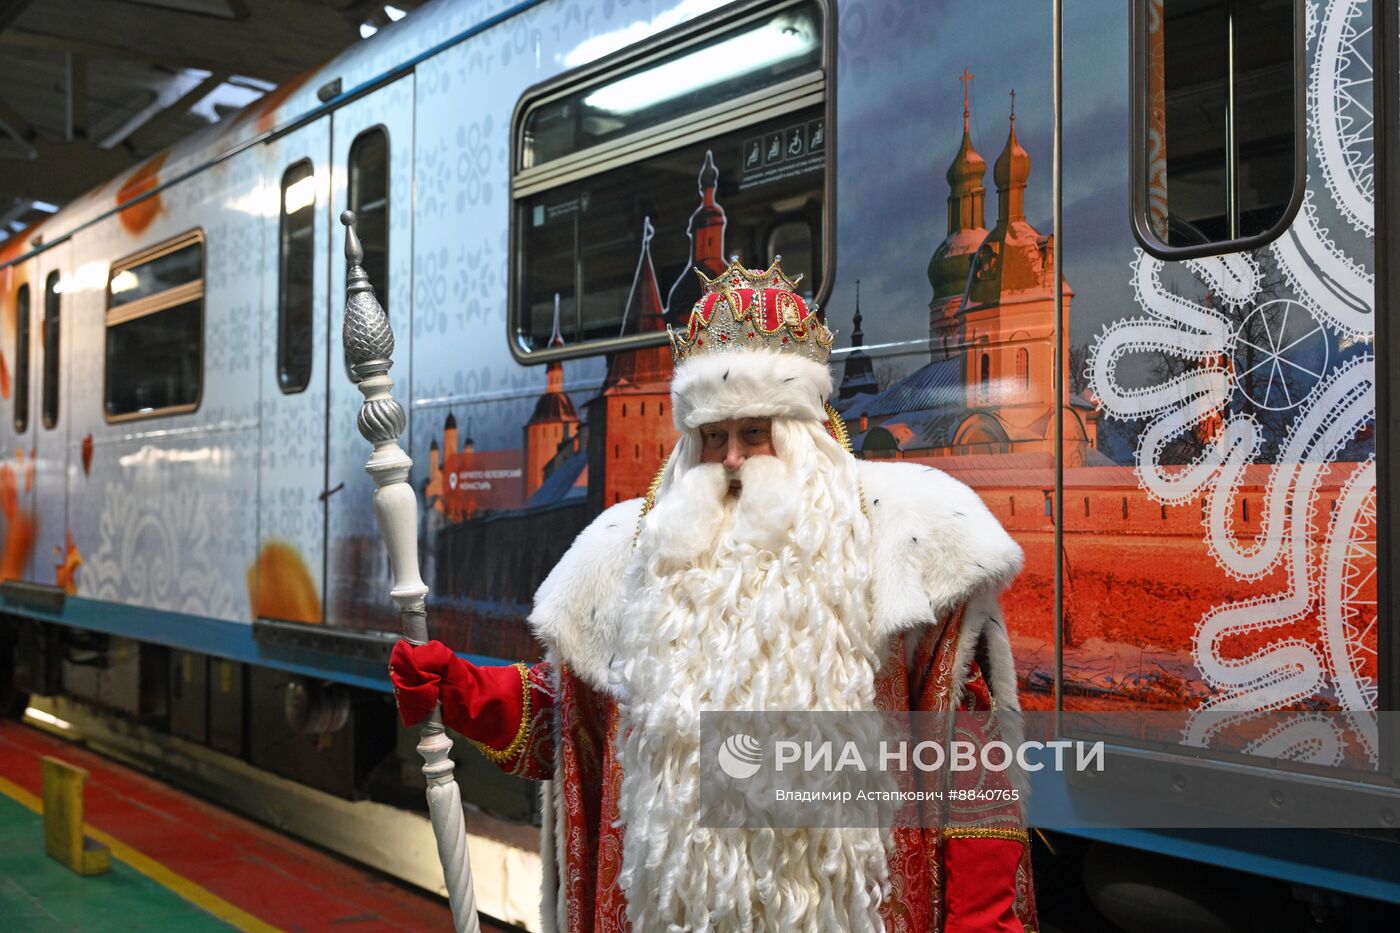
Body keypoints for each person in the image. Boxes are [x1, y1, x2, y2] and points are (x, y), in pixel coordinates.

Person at [390, 260, 1037, 932]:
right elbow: (581, 728)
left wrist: (981, 917)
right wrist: (464, 690)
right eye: (713, 437)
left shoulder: (902, 547)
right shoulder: (631, 556)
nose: (731, 459)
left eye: (754, 433)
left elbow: (973, 761)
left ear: (803, 432)